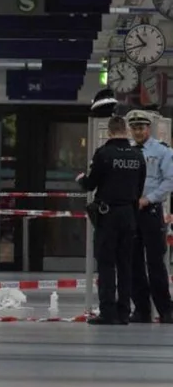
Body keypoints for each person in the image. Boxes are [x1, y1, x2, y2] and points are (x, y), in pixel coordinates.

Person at [77, 115, 146, 325]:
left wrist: (81, 180)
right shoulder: (137, 155)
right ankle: (124, 312)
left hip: (108, 215)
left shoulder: (104, 154)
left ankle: (108, 312)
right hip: (129, 214)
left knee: (107, 264)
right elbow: (140, 187)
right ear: (125, 130)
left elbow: (91, 184)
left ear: (109, 132)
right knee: (125, 264)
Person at [126, 109, 173, 324]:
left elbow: (169, 181)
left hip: (151, 211)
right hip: (131, 213)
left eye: (141, 127)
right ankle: (141, 310)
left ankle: (166, 310)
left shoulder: (163, 152)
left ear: (148, 128)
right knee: (133, 262)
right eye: (134, 128)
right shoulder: (126, 150)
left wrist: (149, 198)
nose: (138, 131)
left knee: (155, 263)